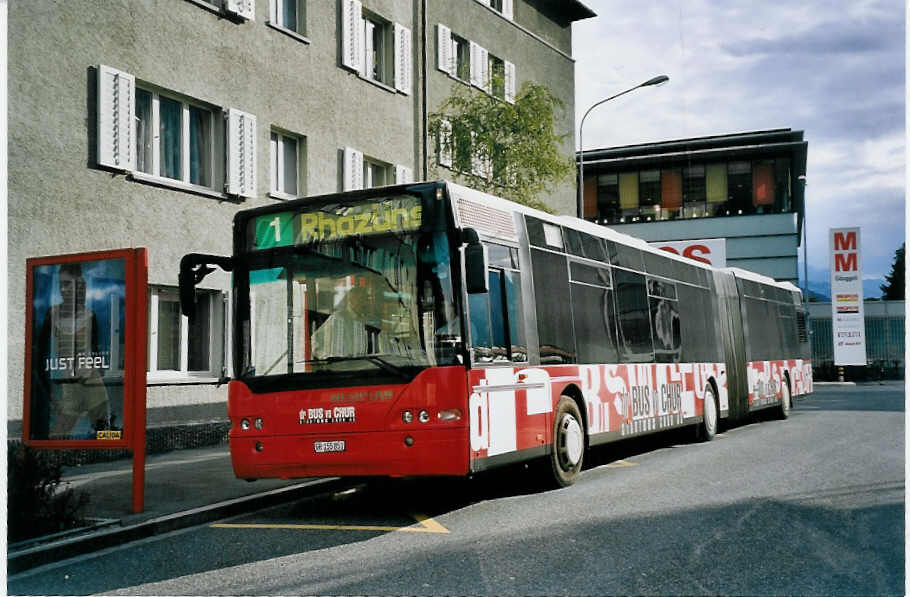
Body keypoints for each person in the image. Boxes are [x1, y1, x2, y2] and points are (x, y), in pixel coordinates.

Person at [31, 262, 111, 440]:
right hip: (68, 389)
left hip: (93, 385)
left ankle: (108, 462)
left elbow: (97, 353)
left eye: (68, 284)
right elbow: (38, 358)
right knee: (56, 438)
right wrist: (52, 397)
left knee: (105, 436)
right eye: (60, 284)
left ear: (78, 285)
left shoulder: (90, 315)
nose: (63, 289)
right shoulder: (52, 314)